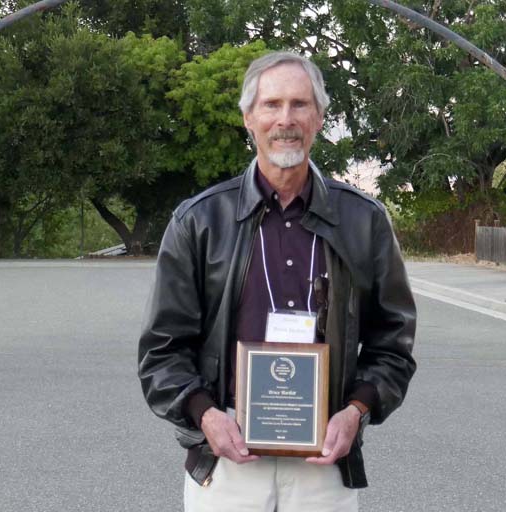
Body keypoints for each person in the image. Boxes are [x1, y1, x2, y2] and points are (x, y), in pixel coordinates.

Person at [138, 51, 416, 512]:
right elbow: (161, 350)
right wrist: (204, 415)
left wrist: (356, 412)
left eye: (299, 104)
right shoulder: (199, 220)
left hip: (324, 462)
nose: (285, 119)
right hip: (227, 462)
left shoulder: (364, 221)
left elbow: (393, 341)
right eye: (271, 105)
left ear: (320, 118)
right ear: (249, 118)